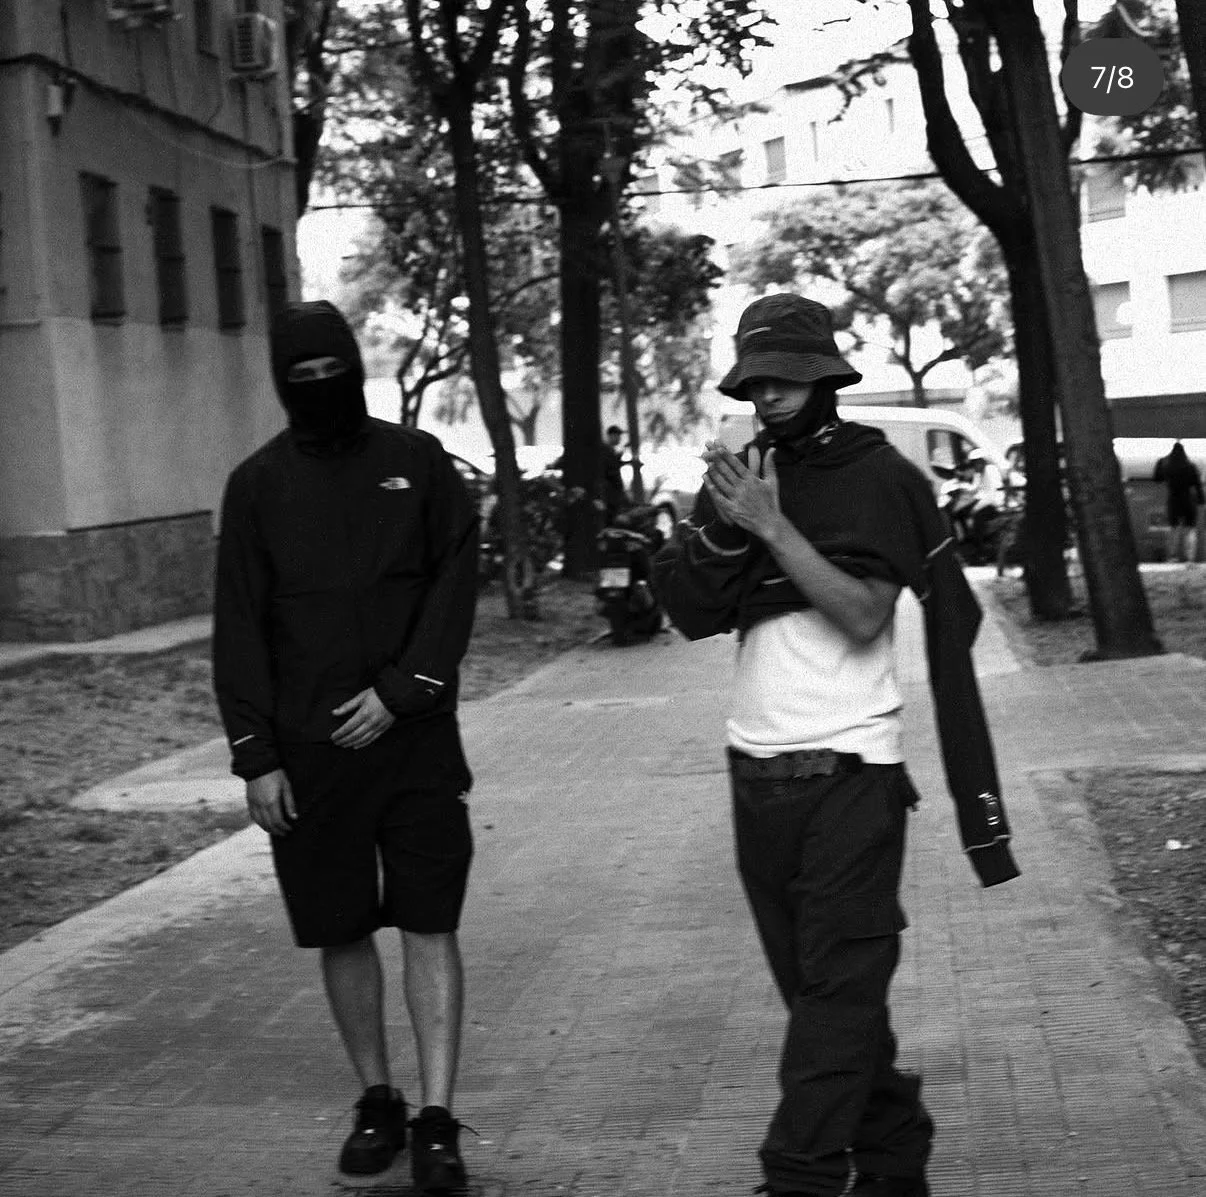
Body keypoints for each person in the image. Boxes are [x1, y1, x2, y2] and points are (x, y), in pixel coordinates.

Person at [652, 293, 1019, 1197]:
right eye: (755, 382)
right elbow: (693, 611)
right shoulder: (746, 473)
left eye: (785, 378)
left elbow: (861, 616)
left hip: (852, 776)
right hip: (754, 775)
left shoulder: (877, 476)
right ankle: (894, 1153)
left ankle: (800, 1174)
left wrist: (772, 526)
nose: (768, 395)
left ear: (825, 377)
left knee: (834, 997)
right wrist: (723, 524)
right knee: (827, 1002)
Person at [212, 300, 479, 1192]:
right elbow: (239, 625)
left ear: (357, 371)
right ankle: (379, 1100)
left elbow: (455, 577)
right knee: (342, 926)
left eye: (335, 372)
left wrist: (404, 691)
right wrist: (256, 754)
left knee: (430, 919)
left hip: (416, 741)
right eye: (303, 378)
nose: (321, 388)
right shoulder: (257, 486)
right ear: (282, 385)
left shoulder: (418, 462)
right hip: (310, 752)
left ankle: (437, 1118)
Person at [1154, 440, 1204, 563]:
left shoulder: (1166, 466)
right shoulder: (1190, 466)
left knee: (1173, 528)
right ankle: (1190, 558)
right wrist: (1201, 500)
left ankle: (1172, 556)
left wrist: (1160, 462)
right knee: (1190, 528)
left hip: (1173, 499)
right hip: (1188, 500)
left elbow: (1157, 478)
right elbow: (1197, 485)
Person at [602, 423, 630, 522]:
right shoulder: (606, 450)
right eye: (618, 436)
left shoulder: (609, 450)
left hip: (613, 494)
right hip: (611, 494)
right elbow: (611, 468)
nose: (620, 439)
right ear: (611, 436)